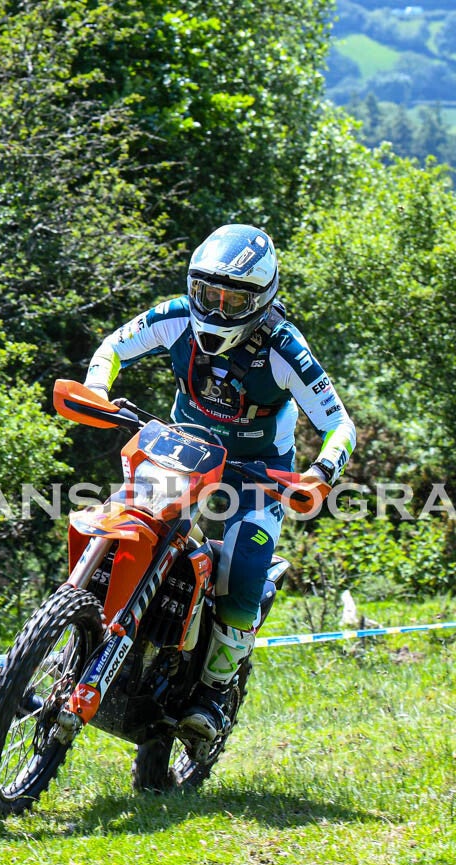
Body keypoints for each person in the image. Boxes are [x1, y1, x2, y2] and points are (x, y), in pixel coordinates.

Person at [83, 224, 356, 740]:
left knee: (244, 563)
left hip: (258, 468)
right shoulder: (174, 316)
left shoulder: (284, 346)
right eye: (208, 294)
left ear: (262, 299)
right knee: (123, 521)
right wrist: (97, 388)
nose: (217, 308)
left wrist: (320, 475)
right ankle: (80, 627)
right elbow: (113, 346)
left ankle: (213, 690)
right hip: (182, 449)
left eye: (234, 300)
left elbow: (340, 423)